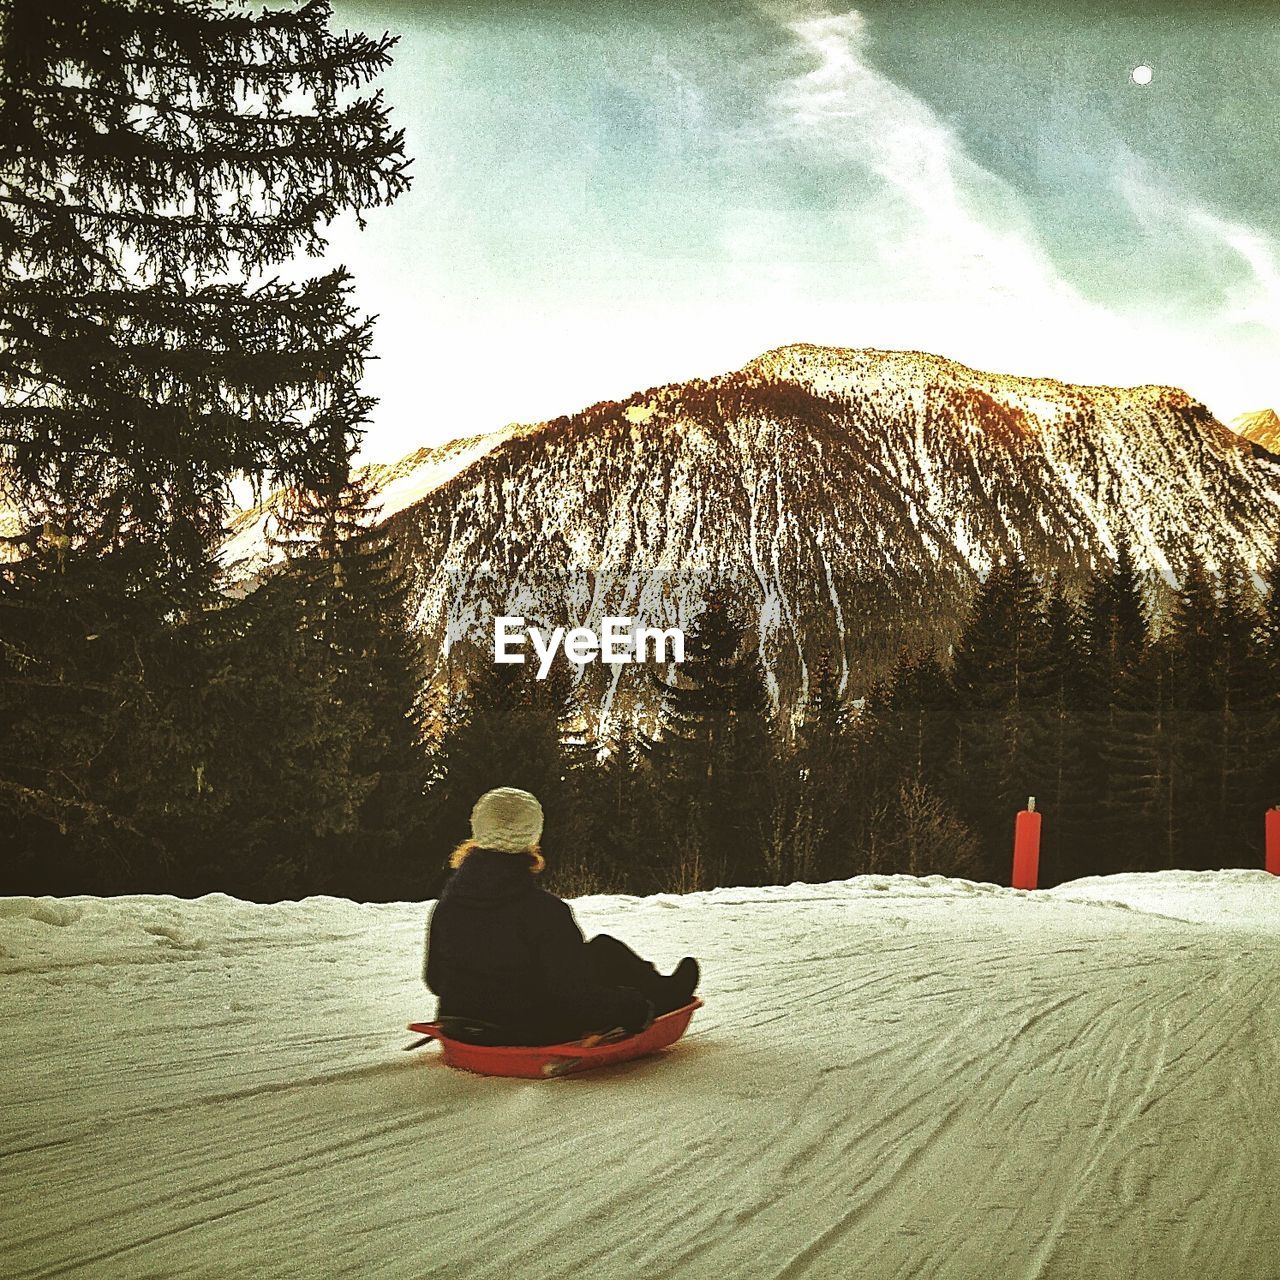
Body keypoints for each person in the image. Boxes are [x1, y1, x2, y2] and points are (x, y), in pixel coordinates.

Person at [424, 787, 700, 1046]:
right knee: (604, 955)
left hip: (461, 1026)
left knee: (600, 951)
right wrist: (633, 1007)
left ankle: (660, 988)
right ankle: (666, 995)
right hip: (529, 1031)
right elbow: (577, 998)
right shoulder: (544, 911)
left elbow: (436, 980)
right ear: (533, 836)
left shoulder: (447, 907)